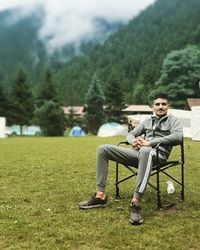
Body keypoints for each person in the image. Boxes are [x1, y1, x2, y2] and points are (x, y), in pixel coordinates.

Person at [79, 93, 183, 225]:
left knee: (146, 150)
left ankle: (135, 203)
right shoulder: (147, 121)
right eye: (157, 104)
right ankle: (100, 196)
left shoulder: (173, 120)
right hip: (137, 154)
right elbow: (130, 133)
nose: (161, 107)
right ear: (153, 106)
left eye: (164, 104)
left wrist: (149, 143)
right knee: (103, 148)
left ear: (168, 106)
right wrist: (133, 141)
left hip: (157, 155)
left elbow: (178, 137)